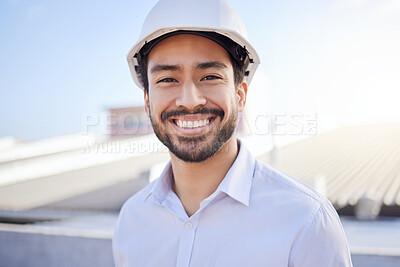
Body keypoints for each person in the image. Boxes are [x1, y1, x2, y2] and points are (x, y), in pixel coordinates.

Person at [113, 0, 353, 266]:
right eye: (167, 79)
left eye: (210, 77)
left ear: (240, 95)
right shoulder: (131, 221)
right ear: (147, 101)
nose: (189, 101)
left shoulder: (307, 222)